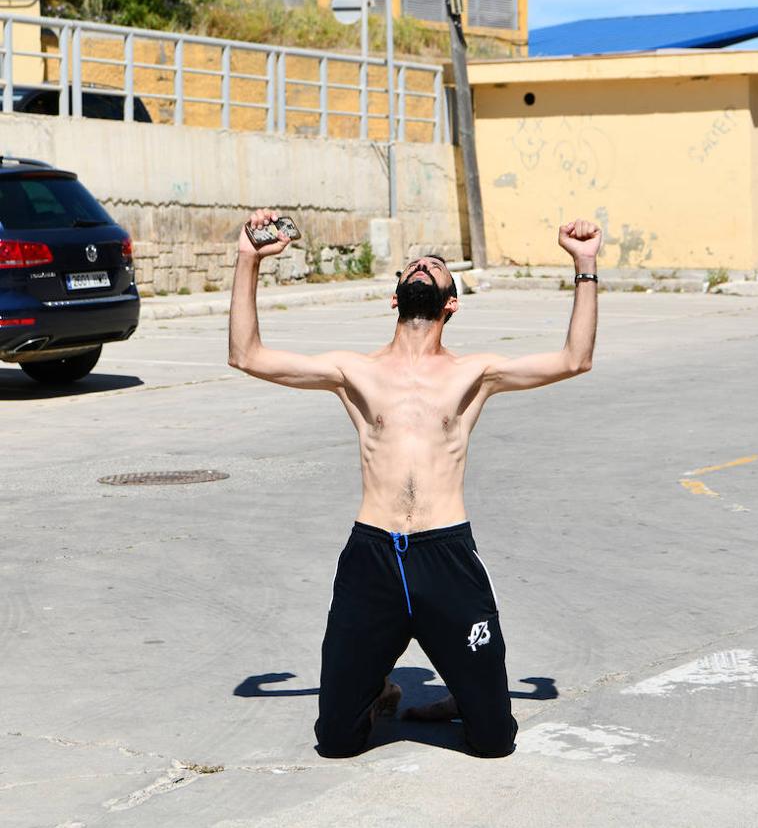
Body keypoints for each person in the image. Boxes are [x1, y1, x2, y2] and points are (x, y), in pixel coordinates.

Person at [227, 211, 601, 758]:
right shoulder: (353, 370)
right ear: (396, 295)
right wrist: (248, 259)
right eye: (415, 265)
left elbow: (576, 359)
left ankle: (465, 692)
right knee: (335, 743)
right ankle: (379, 689)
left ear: (451, 302)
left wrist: (584, 265)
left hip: (445, 554)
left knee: (494, 741)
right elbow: (247, 355)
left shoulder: (475, 373)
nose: (424, 266)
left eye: (437, 267)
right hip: (373, 555)